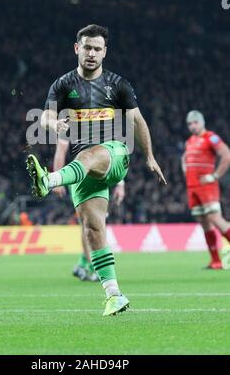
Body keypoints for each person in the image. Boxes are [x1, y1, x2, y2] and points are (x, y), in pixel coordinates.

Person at [27, 24, 166, 316]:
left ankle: (49, 180)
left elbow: (138, 122)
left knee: (91, 154)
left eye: (97, 48)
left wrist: (150, 157)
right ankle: (114, 294)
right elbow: (46, 118)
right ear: (77, 48)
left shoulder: (118, 85)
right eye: (87, 47)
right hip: (82, 169)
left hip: (114, 155)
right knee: (92, 228)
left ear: (105, 52)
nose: (92, 53)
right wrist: (55, 125)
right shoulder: (63, 85)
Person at [53, 137, 125, 282]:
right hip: (82, 173)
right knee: (92, 222)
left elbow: (115, 152)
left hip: (94, 172)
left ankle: (84, 263)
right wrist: (57, 179)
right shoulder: (75, 119)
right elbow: (61, 149)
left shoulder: (101, 118)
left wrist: (120, 184)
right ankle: (91, 266)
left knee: (88, 222)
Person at [182, 110, 230, 269]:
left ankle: (217, 260)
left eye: (195, 122)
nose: (192, 126)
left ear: (202, 122)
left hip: (207, 187)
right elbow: (185, 158)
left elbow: (226, 154)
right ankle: (216, 261)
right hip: (192, 187)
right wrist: (185, 170)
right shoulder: (190, 141)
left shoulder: (211, 137)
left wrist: (215, 176)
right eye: (190, 124)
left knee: (216, 219)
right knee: (204, 223)